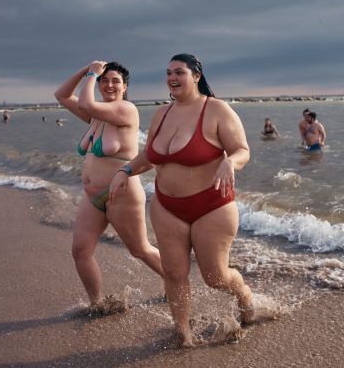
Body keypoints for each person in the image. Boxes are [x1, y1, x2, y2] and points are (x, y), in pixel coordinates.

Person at [110, 53, 256, 347]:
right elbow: (150, 156)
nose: (172, 78)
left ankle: (243, 293)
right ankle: (183, 334)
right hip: (167, 207)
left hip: (212, 206)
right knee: (174, 273)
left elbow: (242, 149)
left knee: (215, 277)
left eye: (179, 72)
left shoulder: (216, 110)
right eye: (168, 73)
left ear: (196, 76)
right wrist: (125, 170)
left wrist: (231, 162)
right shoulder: (161, 114)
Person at [54, 61, 163, 313]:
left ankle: (176, 283)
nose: (109, 85)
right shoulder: (96, 115)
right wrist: (85, 70)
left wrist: (94, 73)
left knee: (140, 250)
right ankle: (98, 304)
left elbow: (84, 102)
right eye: (105, 80)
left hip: (121, 194)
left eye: (116, 81)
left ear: (125, 87)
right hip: (91, 196)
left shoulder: (127, 110)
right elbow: (61, 95)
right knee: (80, 251)